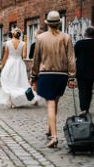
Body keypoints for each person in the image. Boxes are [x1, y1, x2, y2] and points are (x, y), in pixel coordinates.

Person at [30, 11, 76, 148]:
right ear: (58, 23)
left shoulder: (41, 38)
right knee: (55, 102)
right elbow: (71, 59)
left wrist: (33, 76)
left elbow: (36, 59)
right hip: (61, 75)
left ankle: (54, 136)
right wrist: (72, 76)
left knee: (50, 104)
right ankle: (51, 129)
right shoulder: (66, 37)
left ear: (48, 23)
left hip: (46, 74)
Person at [0, 29, 38, 108]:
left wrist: (2, 65)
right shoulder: (23, 43)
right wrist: (20, 50)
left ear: (13, 34)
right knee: (20, 82)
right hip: (19, 63)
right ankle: (31, 98)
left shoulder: (8, 43)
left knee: (10, 81)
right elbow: (24, 55)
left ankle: (12, 102)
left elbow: (5, 56)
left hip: (10, 63)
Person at [73, 26, 94, 114]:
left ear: (85, 33)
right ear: (93, 34)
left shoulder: (79, 43)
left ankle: (83, 107)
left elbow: (73, 56)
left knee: (82, 89)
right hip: (92, 70)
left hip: (81, 70)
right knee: (89, 89)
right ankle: (87, 107)